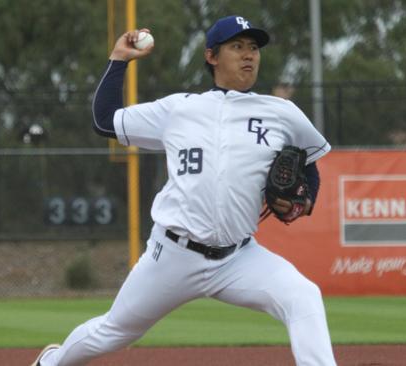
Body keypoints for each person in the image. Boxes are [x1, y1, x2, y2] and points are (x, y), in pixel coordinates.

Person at [31, 15, 336, 366]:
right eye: (237, 46)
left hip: (239, 257)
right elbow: (105, 120)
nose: (249, 55)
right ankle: (51, 362)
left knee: (303, 296)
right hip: (173, 255)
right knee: (114, 330)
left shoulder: (281, 113)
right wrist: (118, 60)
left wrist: (306, 198)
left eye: (253, 48)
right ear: (211, 56)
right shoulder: (179, 109)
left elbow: (309, 162)